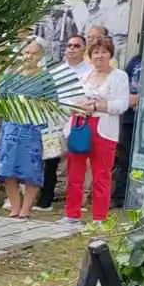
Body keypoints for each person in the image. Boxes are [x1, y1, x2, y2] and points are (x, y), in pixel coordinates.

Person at [64, 34, 130, 223]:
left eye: (103, 52)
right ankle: (72, 214)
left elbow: (121, 104)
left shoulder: (119, 76)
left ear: (110, 55)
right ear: (89, 55)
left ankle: (99, 217)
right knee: (74, 172)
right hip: (80, 125)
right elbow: (68, 100)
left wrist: (97, 106)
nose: (99, 56)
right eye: (95, 52)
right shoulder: (83, 75)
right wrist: (80, 105)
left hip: (104, 129)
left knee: (102, 174)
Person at [0, 41, 58, 218]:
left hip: (32, 129)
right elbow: (0, 99)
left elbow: (53, 103)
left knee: (32, 170)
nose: (28, 57)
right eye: (26, 53)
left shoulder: (45, 78)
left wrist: (35, 105)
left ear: (40, 56)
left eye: (33, 53)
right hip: (11, 127)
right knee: (8, 169)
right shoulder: (12, 75)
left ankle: (26, 209)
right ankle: (15, 207)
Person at [36, 35, 92, 209]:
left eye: (76, 46)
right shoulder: (56, 71)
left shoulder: (89, 71)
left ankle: (77, 201)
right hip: (55, 119)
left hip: (78, 120)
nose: (72, 49)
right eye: (69, 45)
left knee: (78, 160)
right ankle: (46, 200)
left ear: (84, 49)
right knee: (51, 160)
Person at [115, 45, 144, 208]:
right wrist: (128, 97)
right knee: (124, 158)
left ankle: (139, 197)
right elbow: (122, 86)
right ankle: (120, 196)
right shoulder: (135, 61)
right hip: (129, 117)